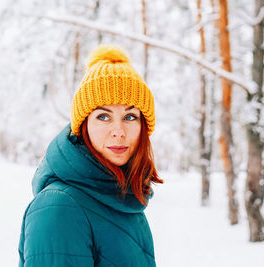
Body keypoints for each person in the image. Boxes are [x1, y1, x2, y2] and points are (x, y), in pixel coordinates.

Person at [18, 44, 163, 267]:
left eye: (131, 117)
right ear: (83, 126)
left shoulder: (122, 196)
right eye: (103, 117)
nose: (119, 131)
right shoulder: (61, 207)